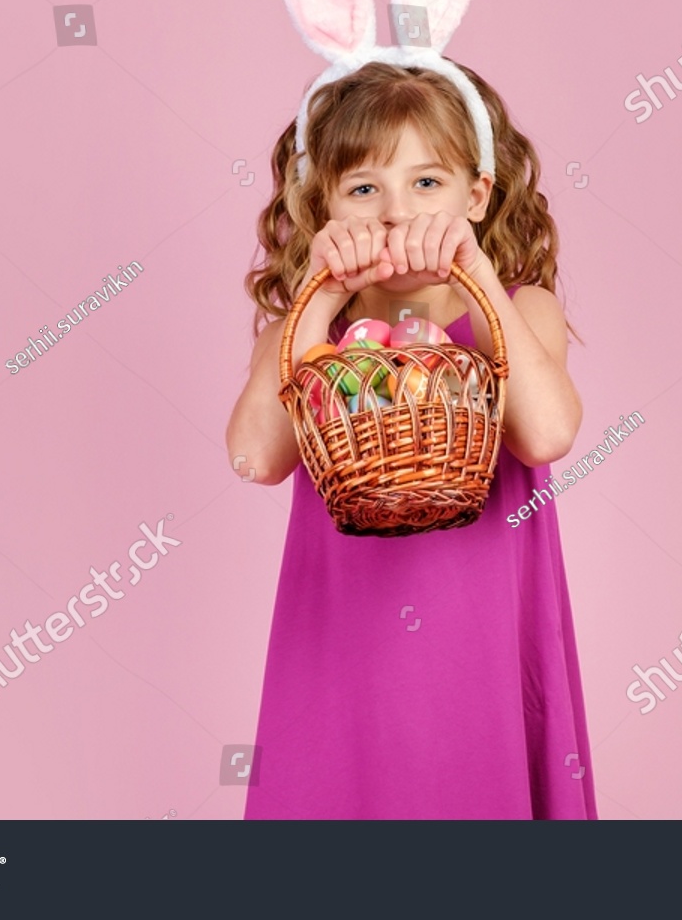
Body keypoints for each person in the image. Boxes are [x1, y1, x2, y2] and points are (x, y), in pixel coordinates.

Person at [225, 54, 598, 818]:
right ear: (322, 206)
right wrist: (320, 295)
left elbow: (549, 432)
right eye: (365, 189)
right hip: (341, 646)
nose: (395, 212)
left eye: (427, 183)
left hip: (480, 650)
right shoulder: (308, 333)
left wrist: (478, 277)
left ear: (478, 193)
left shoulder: (520, 312)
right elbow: (255, 456)